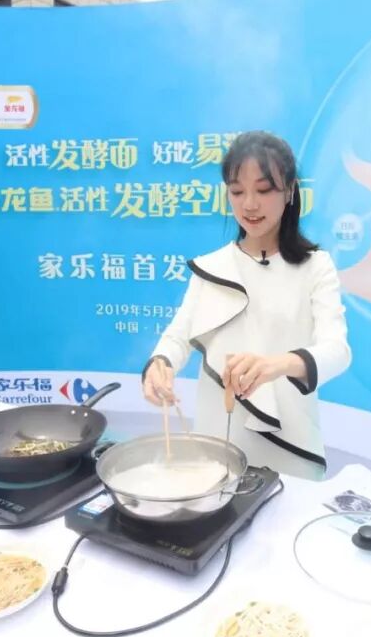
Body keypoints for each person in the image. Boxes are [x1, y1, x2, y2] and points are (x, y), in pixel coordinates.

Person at [141, 131, 351, 480]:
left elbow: (337, 351)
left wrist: (276, 365)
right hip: (216, 446)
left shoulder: (316, 267)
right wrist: (159, 365)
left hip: (291, 446)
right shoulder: (213, 267)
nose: (249, 204)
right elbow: (177, 336)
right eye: (237, 192)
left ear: (289, 191)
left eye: (264, 190)